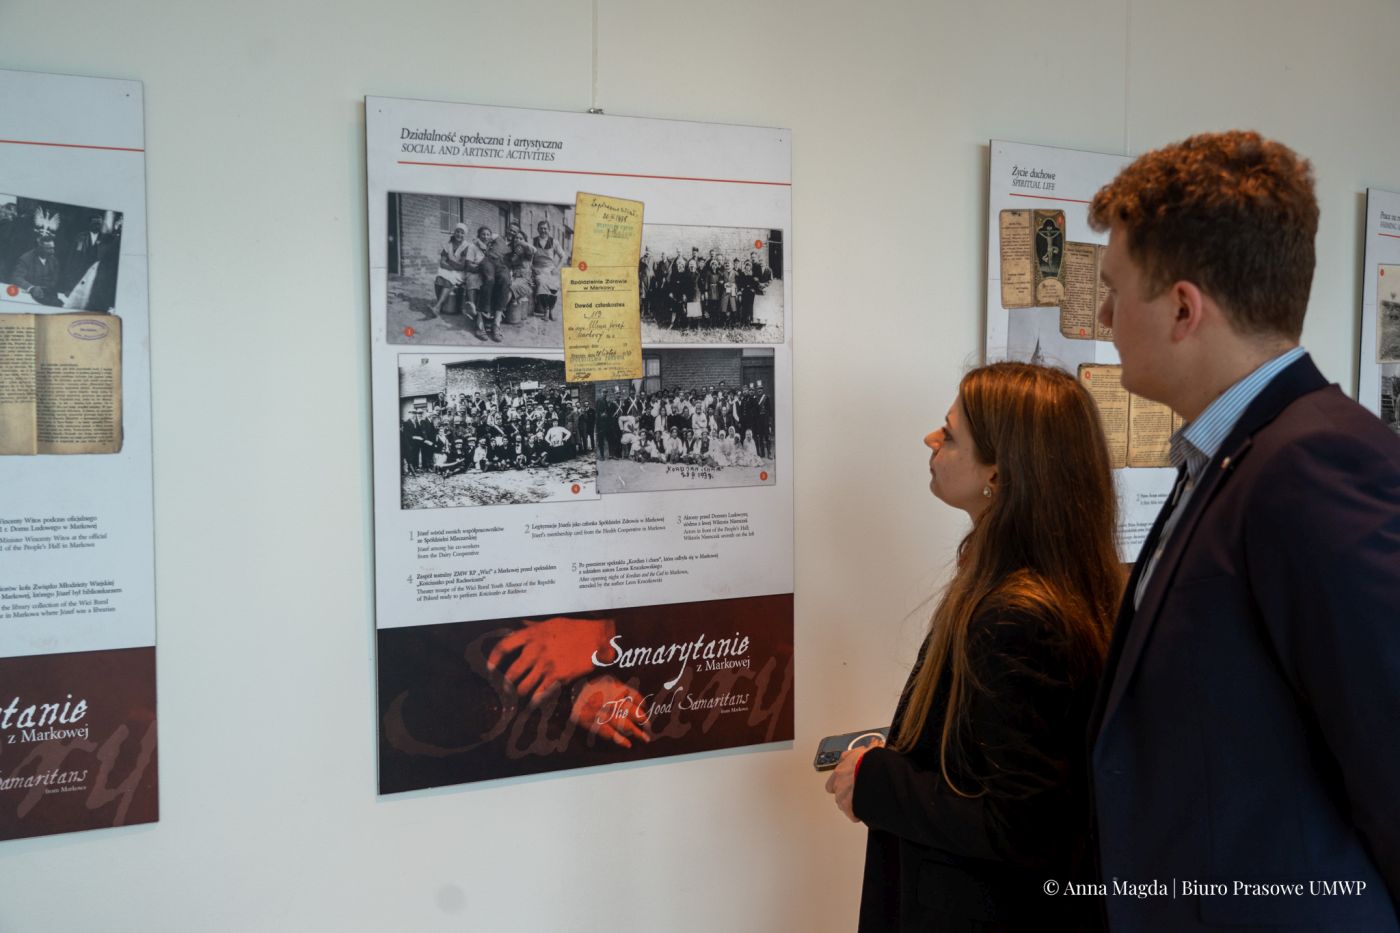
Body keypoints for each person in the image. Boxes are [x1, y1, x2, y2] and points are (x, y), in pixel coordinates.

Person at [1086, 131, 1400, 931]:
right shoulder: (1232, 453)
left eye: (1113, 290)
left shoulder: (1313, 463)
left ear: (1183, 308)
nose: (1103, 315)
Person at [825, 362, 1121, 932]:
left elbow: (1021, 824)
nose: (930, 440)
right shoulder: (1034, 588)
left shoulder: (1019, 617)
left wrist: (875, 781)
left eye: (950, 434)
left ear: (999, 474)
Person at [431, 223, 471, 316]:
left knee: (449, 279)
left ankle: (437, 306)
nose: (459, 234)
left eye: (462, 233)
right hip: (449, 269)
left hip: (461, 273)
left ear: (465, 235)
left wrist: (449, 262)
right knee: (438, 279)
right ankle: (440, 304)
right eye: (457, 232)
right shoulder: (448, 245)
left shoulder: (466, 246)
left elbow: (462, 266)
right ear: (454, 232)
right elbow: (442, 262)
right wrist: (452, 266)